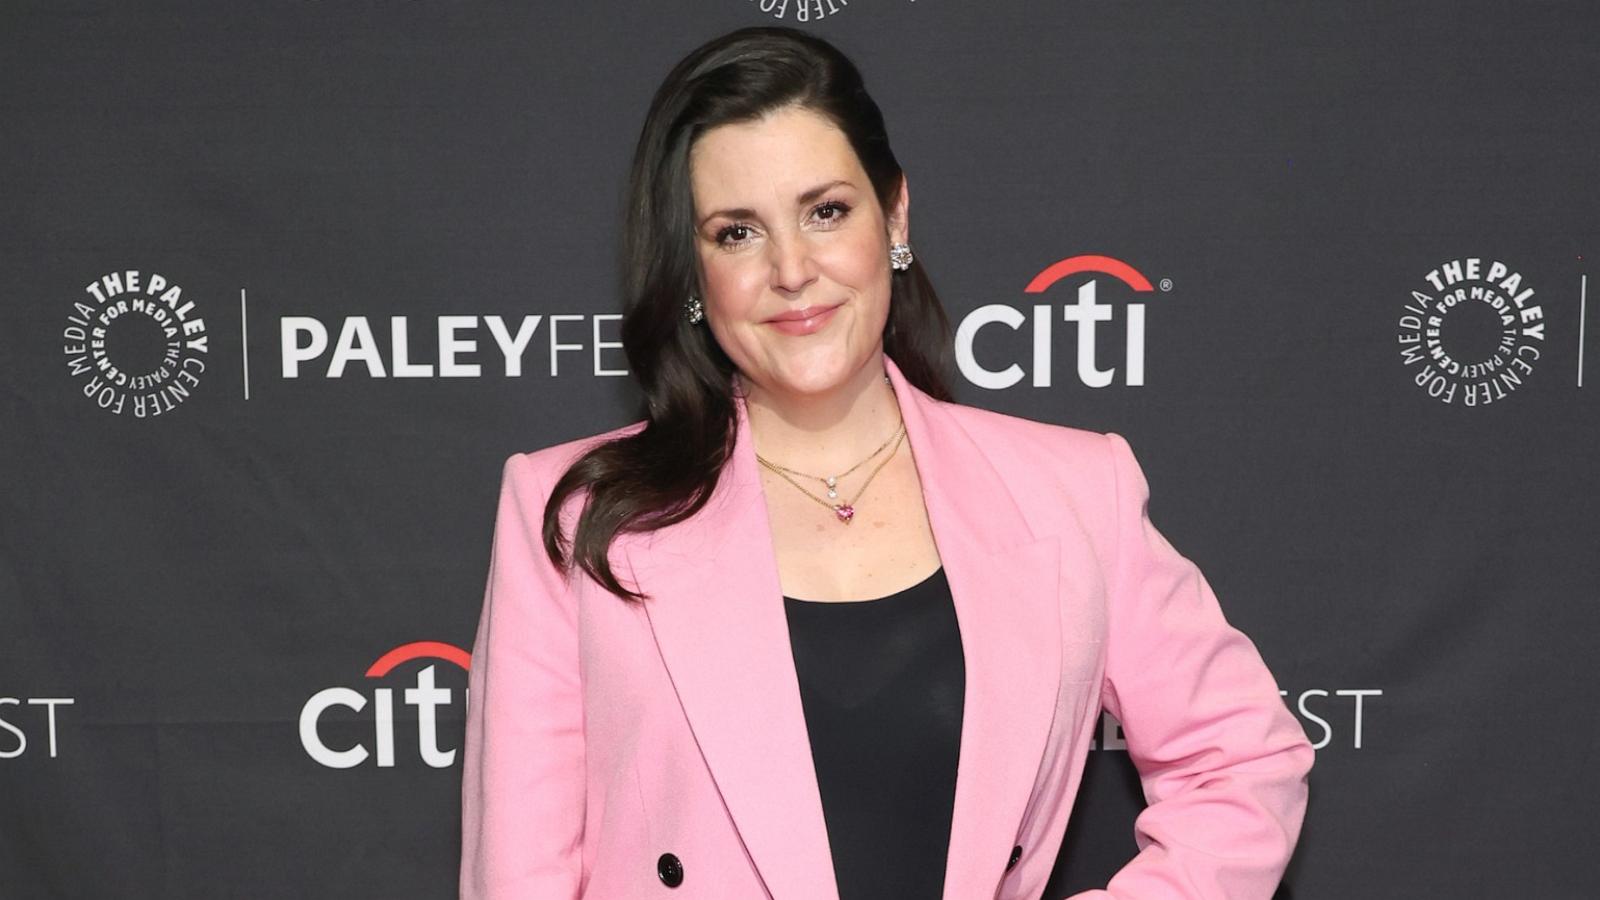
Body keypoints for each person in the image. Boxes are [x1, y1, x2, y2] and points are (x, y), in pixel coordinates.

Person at [459, 25, 1313, 900]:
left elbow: (1243, 759)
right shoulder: (573, 513)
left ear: (894, 216)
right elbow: (519, 876)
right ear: (692, 267)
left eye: (825, 211)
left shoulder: (1072, 492)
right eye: (736, 233)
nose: (793, 270)